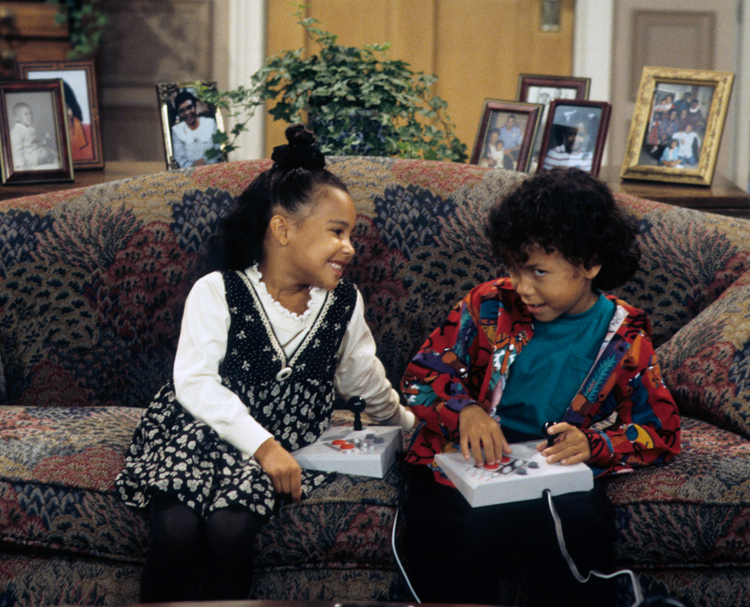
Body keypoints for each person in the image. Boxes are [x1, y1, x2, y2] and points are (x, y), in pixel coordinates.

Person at [115, 124, 416, 603]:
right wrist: (265, 446)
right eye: (337, 232)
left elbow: (364, 379)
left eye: (351, 235)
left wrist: (411, 425)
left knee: (230, 528)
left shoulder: (343, 302)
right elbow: (195, 383)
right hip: (200, 430)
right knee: (176, 527)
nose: (350, 247)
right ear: (282, 229)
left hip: (282, 440)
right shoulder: (219, 290)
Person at [400, 167, 681, 607]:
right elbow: (420, 377)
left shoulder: (625, 337)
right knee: (453, 531)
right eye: (514, 268)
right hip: (460, 464)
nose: (522, 287)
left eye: (538, 271)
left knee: (579, 521)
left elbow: (661, 429)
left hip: (547, 473)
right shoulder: (487, 304)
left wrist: (595, 444)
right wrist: (465, 412)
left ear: (590, 263)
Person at [171, 89, 221, 168]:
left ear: (195, 106)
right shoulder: (177, 131)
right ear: (179, 114)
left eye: (189, 107)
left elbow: (218, 151)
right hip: (191, 173)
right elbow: (180, 159)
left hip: (213, 169)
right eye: (182, 111)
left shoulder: (210, 123)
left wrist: (205, 162)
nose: (187, 113)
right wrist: (194, 166)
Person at [9, 102, 57, 170]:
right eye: (26, 114)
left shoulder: (30, 129)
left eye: (30, 113)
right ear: (17, 118)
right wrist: (20, 165)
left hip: (34, 153)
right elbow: (16, 150)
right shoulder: (16, 132)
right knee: (46, 153)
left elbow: (33, 144)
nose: (30, 116)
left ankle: (55, 160)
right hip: (28, 158)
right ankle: (53, 161)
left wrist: (44, 142)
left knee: (51, 151)